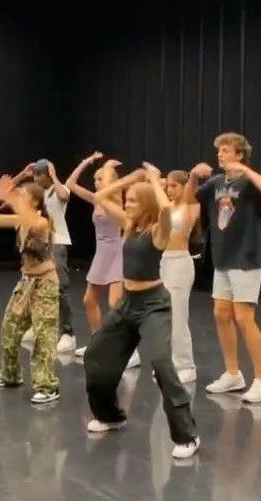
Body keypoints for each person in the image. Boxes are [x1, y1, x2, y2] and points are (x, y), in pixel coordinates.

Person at [84, 163, 200, 459]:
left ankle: (187, 436)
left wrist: (152, 181)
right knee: (95, 354)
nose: (127, 204)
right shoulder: (128, 225)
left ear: (146, 203)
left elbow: (164, 210)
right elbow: (102, 197)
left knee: (161, 363)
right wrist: (129, 180)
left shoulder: (158, 232)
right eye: (128, 200)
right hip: (127, 303)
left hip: (153, 304)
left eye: (134, 200)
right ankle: (110, 415)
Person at [185, 132, 261, 404]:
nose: (220, 154)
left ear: (239, 155)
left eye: (226, 150)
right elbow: (191, 200)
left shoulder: (249, 181)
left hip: (246, 257)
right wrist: (193, 176)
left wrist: (246, 171)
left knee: (243, 317)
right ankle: (232, 373)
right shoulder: (216, 182)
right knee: (220, 313)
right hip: (223, 257)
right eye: (219, 150)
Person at [0, 173, 60, 404]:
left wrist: (9, 195)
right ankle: (11, 374)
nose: (18, 199)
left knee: (43, 336)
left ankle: (47, 386)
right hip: (25, 281)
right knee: (10, 328)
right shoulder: (20, 219)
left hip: (45, 283)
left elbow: (32, 227)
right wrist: (0, 198)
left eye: (23, 196)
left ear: (35, 202)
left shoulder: (41, 222)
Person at [65, 152, 140, 369]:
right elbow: (70, 183)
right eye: (95, 179)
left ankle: (131, 351)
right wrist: (86, 162)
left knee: (115, 304)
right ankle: (98, 342)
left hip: (117, 251)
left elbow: (108, 185)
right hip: (101, 253)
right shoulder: (96, 198)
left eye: (101, 179)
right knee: (89, 300)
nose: (97, 182)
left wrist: (106, 166)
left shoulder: (114, 198)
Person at [31, 159, 75, 352]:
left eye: (37, 175)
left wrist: (54, 175)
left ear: (46, 174)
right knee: (38, 284)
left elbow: (65, 196)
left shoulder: (58, 189)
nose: (34, 179)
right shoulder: (39, 192)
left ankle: (68, 333)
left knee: (60, 288)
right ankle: (38, 324)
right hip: (42, 242)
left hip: (58, 242)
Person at [161, 170, 201, 384]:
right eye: (167, 186)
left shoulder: (191, 206)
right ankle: (170, 363)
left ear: (185, 187)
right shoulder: (168, 205)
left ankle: (186, 365)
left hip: (180, 262)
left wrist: (193, 175)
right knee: (165, 316)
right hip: (163, 261)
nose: (169, 190)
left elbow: (191, 189)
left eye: (174, 186)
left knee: (178, 316)